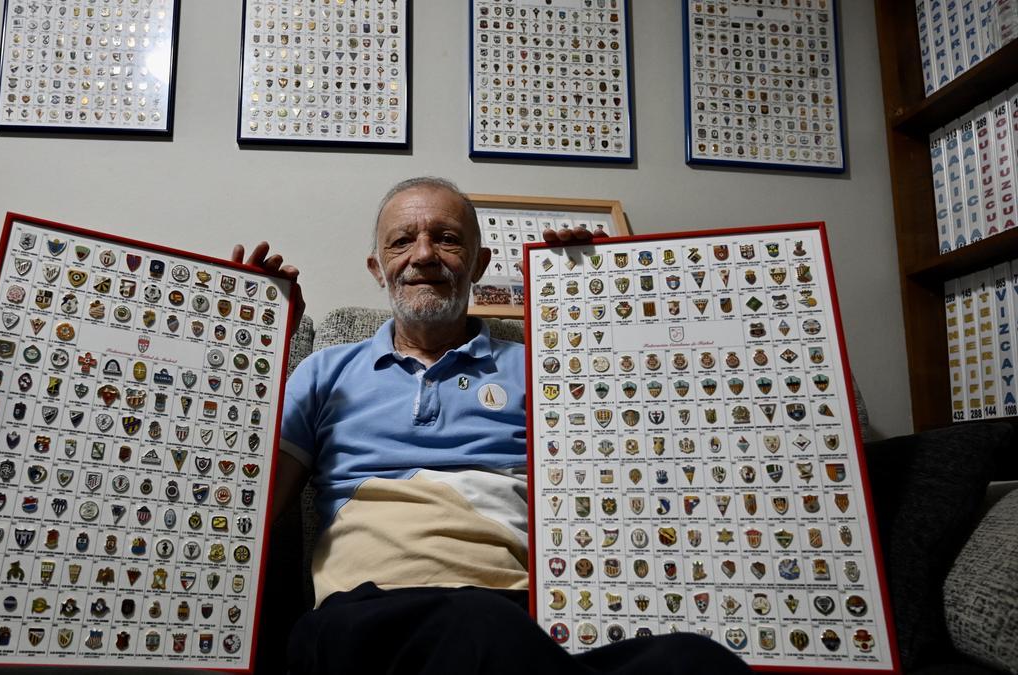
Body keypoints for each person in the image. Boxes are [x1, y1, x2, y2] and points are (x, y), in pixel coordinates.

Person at [232, 177, 751, 675]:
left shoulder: (543, 366)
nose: (424, 254)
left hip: (521, 616)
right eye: (402, 241)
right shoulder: (324, 371)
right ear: (377, 268)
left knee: (698, 661)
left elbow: (648, 451)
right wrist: (252, 344)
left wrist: (598, 297)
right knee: (478, 627)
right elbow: (244, 507)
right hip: (364, 614)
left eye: (448, 239)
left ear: (479, 263)